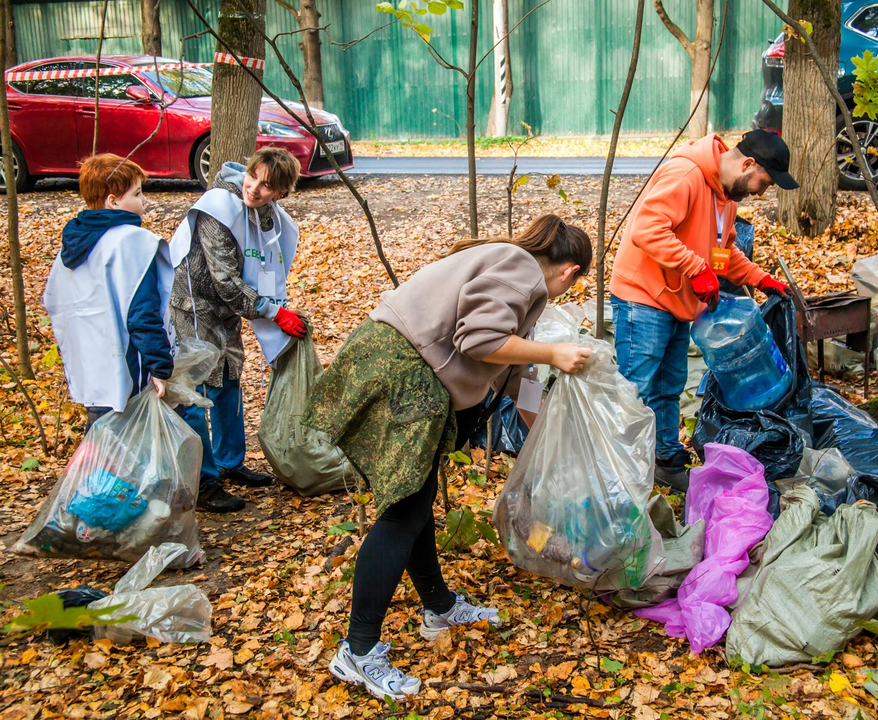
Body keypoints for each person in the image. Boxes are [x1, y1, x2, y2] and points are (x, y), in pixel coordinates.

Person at [306, 215, 593, 701]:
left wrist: (545, 445)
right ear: (570, 271)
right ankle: (357, 652)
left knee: (412, 507)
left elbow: (516, 376)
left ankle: (438, 606)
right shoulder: (519, 266)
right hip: (402, 370)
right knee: (404, 512)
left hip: (405, 370)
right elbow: (479, 340)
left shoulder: (513, 279)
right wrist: (554, 353)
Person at [609, 129, 798, 491]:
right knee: (637, 388)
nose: (762, 191)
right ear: (748, 163)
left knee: (669, 387)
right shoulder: (686, 174)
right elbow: (647, 230)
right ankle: (623, 474)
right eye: (765, 182)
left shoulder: (727, 195)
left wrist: (761, 279)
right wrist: (696, 269)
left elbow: (722, 253)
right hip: (642, 296)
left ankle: (665, 460)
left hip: (679, 300)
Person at [169, 148, 307, 513]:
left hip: (226, 310)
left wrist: (275, 306)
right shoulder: (219, 208)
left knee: (228, 378)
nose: (255, 189)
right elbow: (226, 280)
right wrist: (272, 313)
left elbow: (266, 264)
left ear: (280, 192)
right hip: (194, 305)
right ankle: (204, 480)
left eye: (267, 186)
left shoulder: (266, 214)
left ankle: (230, 461)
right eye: (254, 178)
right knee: (196, 389)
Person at [44, 154, 187, 431]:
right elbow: (142, 312)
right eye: (137, 193)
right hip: (128, 372)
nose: (144, 201)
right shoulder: (131, 242)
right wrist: (159, 367)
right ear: (113, 201)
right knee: (134, 459)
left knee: (102, 453)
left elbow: (55, 302)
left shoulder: (70, 249)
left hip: (90, 372)